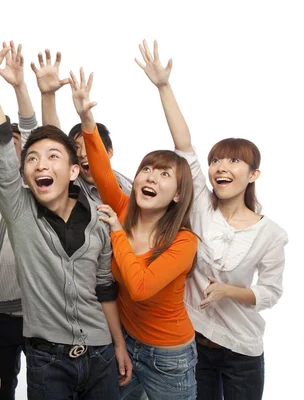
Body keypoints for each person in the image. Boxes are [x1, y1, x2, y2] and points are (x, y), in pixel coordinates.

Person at [0, 19, 131, 400]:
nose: (40, 164)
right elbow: (3, 145)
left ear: (73, 170)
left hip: (102, 355)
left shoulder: (100, 213)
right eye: (32, 159)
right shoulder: (20, 212)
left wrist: (119, 344)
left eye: (52, 158)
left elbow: (105, 288)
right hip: (47, 361)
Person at [136, 39, 288, 400]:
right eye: (217, 160)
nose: (221, 166)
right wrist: (163, 86)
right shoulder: (201, 207)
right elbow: (183, 146)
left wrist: (229, 291)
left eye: (234, 161)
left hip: (242, 349)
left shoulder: (272, 234)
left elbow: (271, 291)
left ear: (253, 174)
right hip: (193, 342)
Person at [79, 65, 199, 399]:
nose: (150, 177)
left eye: (163, 174)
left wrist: (117, 232)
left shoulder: (184, 240)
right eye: (146, 169)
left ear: (177, 194)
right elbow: (101, 169)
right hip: (127, 342)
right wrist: (87, 120)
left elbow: (141, 287)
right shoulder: (122, 207)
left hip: (169, 356)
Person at [0, 40, 38, 400]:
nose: (11, 146)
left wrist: (19, 88)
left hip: (35, 313)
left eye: (18, 142)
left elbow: (37, 137)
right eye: (4, 142)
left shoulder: (36, 191)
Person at [29, 48, 132, 198]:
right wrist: (48, 95)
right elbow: (54, 139)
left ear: (109, 152)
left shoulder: (128, 184)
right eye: (76, 148)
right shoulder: (72, 182)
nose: (83, 154)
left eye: (90, 148)